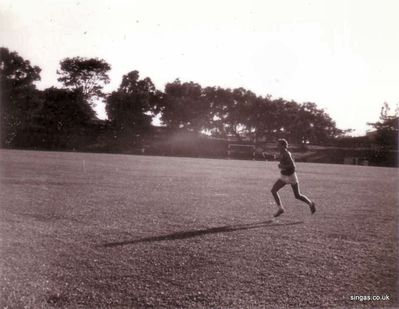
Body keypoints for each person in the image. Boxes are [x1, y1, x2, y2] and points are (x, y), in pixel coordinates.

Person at [268, 139, 316, 217]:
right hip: (284, 176)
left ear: (283, 146)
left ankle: (310, 204)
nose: (277, 146)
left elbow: (293, 166)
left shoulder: (287, 154)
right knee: (273, 190)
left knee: (297, 195)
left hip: (290, 176)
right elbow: (283, 161)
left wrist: (282, 166)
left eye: (279, 145)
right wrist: (279, 161)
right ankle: (280, 209)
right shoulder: (281, 153)